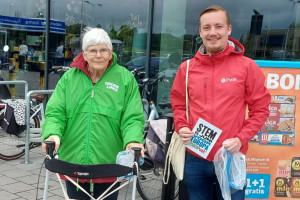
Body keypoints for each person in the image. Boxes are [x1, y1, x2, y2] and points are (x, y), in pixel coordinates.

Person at [170, 5, 271, 200]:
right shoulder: (187, 68)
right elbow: (179, 104)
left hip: (230, 156)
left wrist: (241, 138)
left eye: (218, 26)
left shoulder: (247, 66)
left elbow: (261, 110)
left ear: (229, 30)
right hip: (196, 156)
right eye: (206, 28)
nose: (213, 33)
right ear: (200, 32)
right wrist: (181, 125)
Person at [42, 27, 145, 200]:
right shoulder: (69, 78)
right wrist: (52, 134)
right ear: (84, 54)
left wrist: (133, 140)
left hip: (109, 163)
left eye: (103, 50)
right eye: (93, 50)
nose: (98, 55)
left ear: (110, 52)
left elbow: (132, 117)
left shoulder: (125, 79)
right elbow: (55, 112)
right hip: (72, 162)